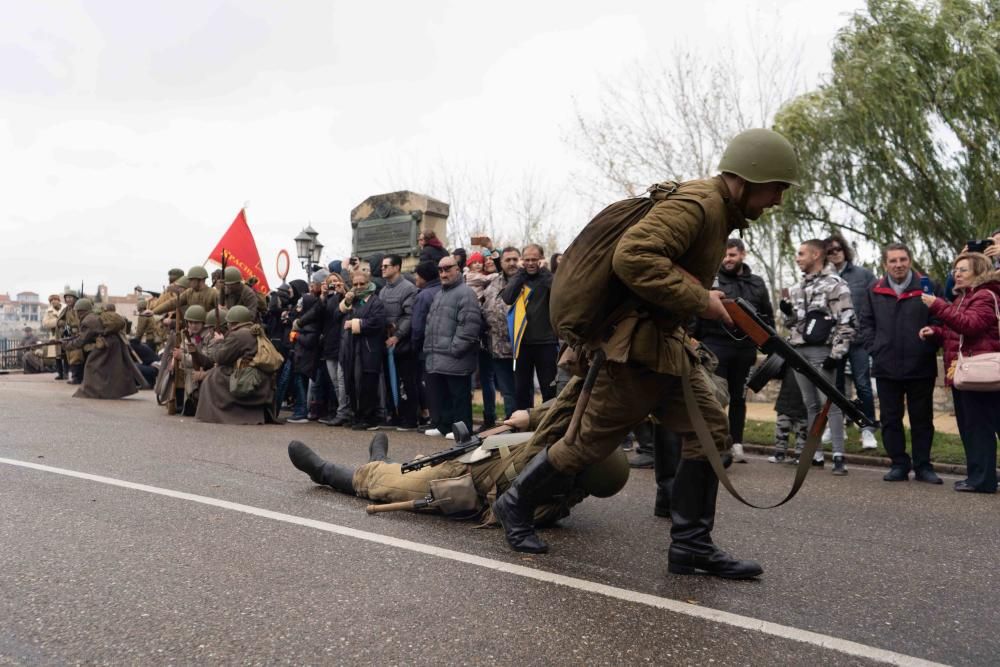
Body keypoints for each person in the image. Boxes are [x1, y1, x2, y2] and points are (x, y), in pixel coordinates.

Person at [492, 128, 800, 579]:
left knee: (712, 433)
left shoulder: (717, 212)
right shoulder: (699, 204)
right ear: (751, 177)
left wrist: (701, 296)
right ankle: (514, 503)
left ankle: (691, 546)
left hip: (665, 346)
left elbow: (669, 269)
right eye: (777, 188)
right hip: (635, 351)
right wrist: (703, 302)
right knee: (586, 445)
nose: (777, 200)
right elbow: (634, 257)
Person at [287, 375, 628, 524]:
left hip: (464, 485)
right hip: (479, 453)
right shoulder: (563, 452)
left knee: (384, 484)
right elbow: (564, 408)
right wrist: (526, 419)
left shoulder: (544, 500)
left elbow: (503, 512)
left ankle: (328, 471)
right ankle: (382, 459)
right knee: (416, 466)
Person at [860, 243, 941, 483]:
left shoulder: (928, 286)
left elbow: (940, 318)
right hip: (886, 365)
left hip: (921, 364)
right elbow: (865, 323)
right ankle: (898, 464)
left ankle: (923, 466)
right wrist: (875, 348)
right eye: (893, 260)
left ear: (910, 260)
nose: (898, 265)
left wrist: (931, 341)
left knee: (922, 419)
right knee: (890, 419)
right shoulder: (873, 289)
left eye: (903, 259)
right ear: (885, 263)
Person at [920, 252, 1000, 493]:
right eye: (955, 270)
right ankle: (977, 476)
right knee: (971, 428)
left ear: (979, 271)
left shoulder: (985, 295)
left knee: (979, 429)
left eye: (963, 269)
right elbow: (956, 331)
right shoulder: (965, 297)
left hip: (979, 373)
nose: (957, 273)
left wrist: (937, 305)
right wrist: (936, 332)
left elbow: (971, 325)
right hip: (964, 373)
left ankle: (983, 480)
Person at [694, 237, 774, 463]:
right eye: (725, 255)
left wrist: (771, 345)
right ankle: (715, 444)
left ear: (742, 255)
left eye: (732, 255)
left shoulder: (757, 283)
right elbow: (696, 311)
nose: (727, 260)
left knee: (739, 398)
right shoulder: (711, 280)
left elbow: (766, 315)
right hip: (715, 345)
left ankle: (736, 443)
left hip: (745, 349)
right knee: (714, 396)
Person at [780, 239, 856, 475]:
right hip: (798, 351)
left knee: (829, 404)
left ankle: (839, 456)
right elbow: (792, 323)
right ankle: (817, 454)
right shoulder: (796, 287)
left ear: (816, 256)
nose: (797, 257)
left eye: (801, 253)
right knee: (810, 404)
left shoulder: (836, 285)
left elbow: (848, 320)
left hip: (823, 351)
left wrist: (836, 354)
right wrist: (787, 313)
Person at [825, 233, 878, 449]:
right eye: (829, 251)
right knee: (835, 387)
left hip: (859, 340)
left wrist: (870, 334)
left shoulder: (863, 275)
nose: (834, 254)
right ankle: (837, 427)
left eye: (837, 249)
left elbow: (875, 306)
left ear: (844, 250)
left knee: (863, 385)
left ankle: (867, 428)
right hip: (833, 341)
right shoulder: (824, 279)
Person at [423, 256, 482, 437]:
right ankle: (445, 426)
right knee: (444, 396)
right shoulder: (440, 294)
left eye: (448, 269)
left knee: (459, 397)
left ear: (458, 269)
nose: (443, 273)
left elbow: (469, 326)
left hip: (455, 356)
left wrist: (454, 349)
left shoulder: (466, 293)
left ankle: (462, 430)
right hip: (438, 355)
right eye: (440, 270)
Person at [195, 305, 279, 425]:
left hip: (248, 378)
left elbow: (220, 358)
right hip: (261, 377)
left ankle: (218, 414)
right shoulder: (254, 330)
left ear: (232, 323)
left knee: (215, 375)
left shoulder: (238, 335)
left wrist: (218, 342)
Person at [502, 244, 559, 408]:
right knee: (521, 391)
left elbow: (557, 291)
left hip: (546, 343)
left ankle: (547, 425)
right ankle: (524, 426)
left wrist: (545, 272)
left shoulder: (548, 278)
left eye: (534, 259)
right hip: (522, 343)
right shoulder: (520, 278)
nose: (530, 263)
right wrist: (520, 274)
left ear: (541, 260)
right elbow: (507, 297)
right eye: (526, 260)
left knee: (549, 390)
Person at [61, 298, 142, 400]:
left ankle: (89, 391)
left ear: (81, 311)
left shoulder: (87, 321)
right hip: (111, 343)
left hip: (106, 344)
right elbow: (85, 335)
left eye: (76, 311)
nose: (76, 313)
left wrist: (66, 345)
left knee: (92, 366)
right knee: (110, 369)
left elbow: (81, 341)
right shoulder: (93, 316)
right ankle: (108, 391)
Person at [376, 254, 420, 430]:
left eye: (386, 266)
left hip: (402, 344)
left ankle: (410, 419)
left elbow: (409, 316)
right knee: (390, 381)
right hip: (386, 342)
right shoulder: (383, 291)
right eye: (382, 266)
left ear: (396, 268)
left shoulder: (409, 289)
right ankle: (394, 415)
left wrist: (398, 335)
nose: (383, 269)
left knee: (406, 382)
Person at [339, 271, 386, 430]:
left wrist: (354, 323)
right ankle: (357, 415)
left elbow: (377, 322)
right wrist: (346, 300)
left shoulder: (376, 302)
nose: (359, 287)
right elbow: (338, 313)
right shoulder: (354, 301)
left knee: (368, 383)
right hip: (353, 348)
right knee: (353, 381)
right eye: (355, 284)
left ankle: (370, 418)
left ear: (368, 283)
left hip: (369, 348)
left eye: (362, 284)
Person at [481, 247, 521, 422]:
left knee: (522, 390)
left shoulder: (525, 281)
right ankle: (510, 423)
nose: (512, 263)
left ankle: (525, 425)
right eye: (508, 260)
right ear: (501, 263)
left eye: (515, 259)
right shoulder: (494, 282)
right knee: (507, 391)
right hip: (497, 347)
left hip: (521, 348)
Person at [410, 260, 442, 429]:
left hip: (426, 348)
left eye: (417, 275)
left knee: (429, 385)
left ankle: (434, 421)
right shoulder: (444, 289)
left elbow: (418, 325)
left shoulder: (423, 295)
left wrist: (415, 346)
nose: (415, 278)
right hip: (443, 346)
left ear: (423, 277)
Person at [767, 367, 809, 464]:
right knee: (782, 427)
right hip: (786, 399)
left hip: (802, 402)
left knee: (802, 429)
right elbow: (777, 372)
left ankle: (799, 455)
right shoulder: (789, 359)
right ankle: (780, 453)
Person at [151, 266, 219, 318]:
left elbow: (219, 314)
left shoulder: (214, 293)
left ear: (201, 280)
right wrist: (153, 312)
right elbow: (172, 303)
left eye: (192, 280)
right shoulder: (189, 292)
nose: (189, 282)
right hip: (192, 328)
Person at [42, 295, 67, 379]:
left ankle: (66, 373)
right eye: (51, 300)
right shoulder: (48, 311)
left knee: (66, 354)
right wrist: (57, 322)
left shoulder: (65, 308)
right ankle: (60, 374)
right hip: (54, 335)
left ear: (58, 300)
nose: (53, 301)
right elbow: (45, 323)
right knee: (57, 356)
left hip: (65, 333)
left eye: (55, 299)